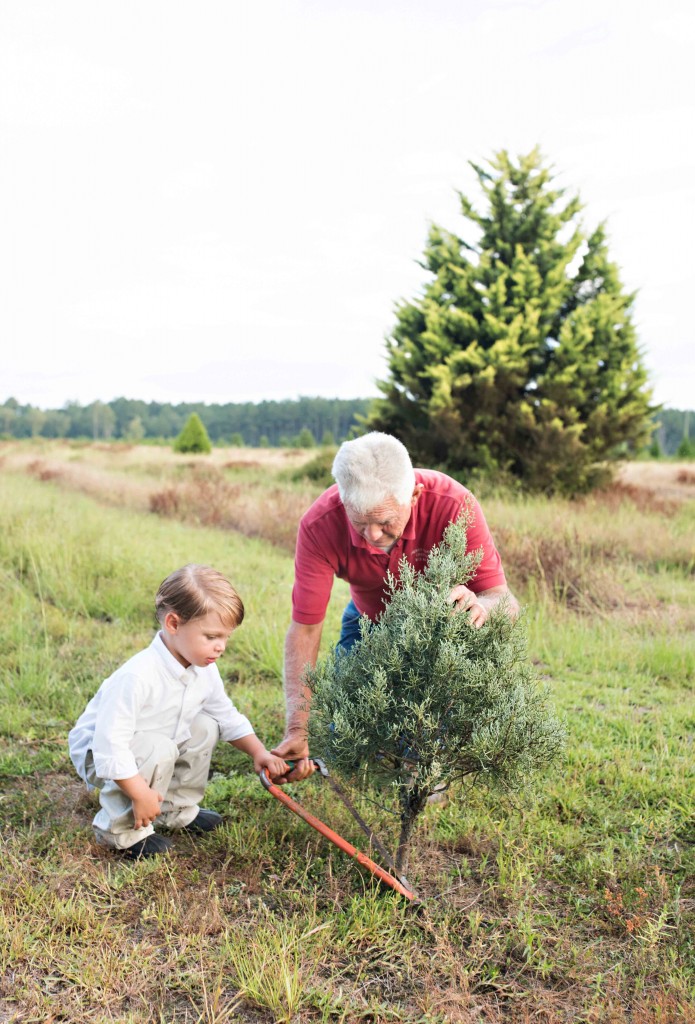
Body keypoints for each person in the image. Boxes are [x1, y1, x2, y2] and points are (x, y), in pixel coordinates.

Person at [272, 432, 519, 781]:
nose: (372, 535)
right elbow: (306, 628)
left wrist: (481, 606)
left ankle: (425, 762)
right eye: (360, 523)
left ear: (414, 496)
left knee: (421, 747)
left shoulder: (454, 503)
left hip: (438, 635)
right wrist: (298, 729)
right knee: (342, 732)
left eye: (385, 522)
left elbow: (504, 600)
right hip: (367, 620)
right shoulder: (319, 524)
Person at [69, 564, 288, 859]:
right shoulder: (138, 676)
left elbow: (226, 716)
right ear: (174, 624)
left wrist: (259, 752)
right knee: (155, 747)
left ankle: (175, 810)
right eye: (211, 636)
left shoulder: (203, 669)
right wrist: (140, 794)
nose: (220, 647)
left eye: (225, 638)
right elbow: (111, 746)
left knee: (205, 726)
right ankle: (122, 831)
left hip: (156, 741)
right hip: (103, 752)